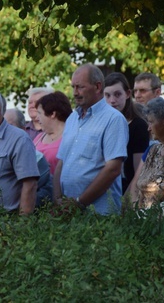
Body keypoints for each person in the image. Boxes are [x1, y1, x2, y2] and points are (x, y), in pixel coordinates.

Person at [55, 64, 128, 215]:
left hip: (98, 214)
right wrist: (58, 200)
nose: (75, 92)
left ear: (97, 87)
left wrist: (79, 203)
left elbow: (113, 169)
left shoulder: (113, 119)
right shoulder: (72, 118)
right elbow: (62, 161)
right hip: (67, 212)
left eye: (80, 87)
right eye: (73, 87)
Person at [103, 73, 150, 194]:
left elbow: (138, 172)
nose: (112, 100)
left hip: (125, 190)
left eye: (117, 94)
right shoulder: (101, 124)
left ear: (128, 94)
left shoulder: (138, 126)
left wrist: (128, 201)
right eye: (107, 95)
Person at [32, 91, 72, 175]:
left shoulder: (71, 137)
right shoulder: (38, 137)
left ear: (52, 114)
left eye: (39, 113)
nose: (37, 117)